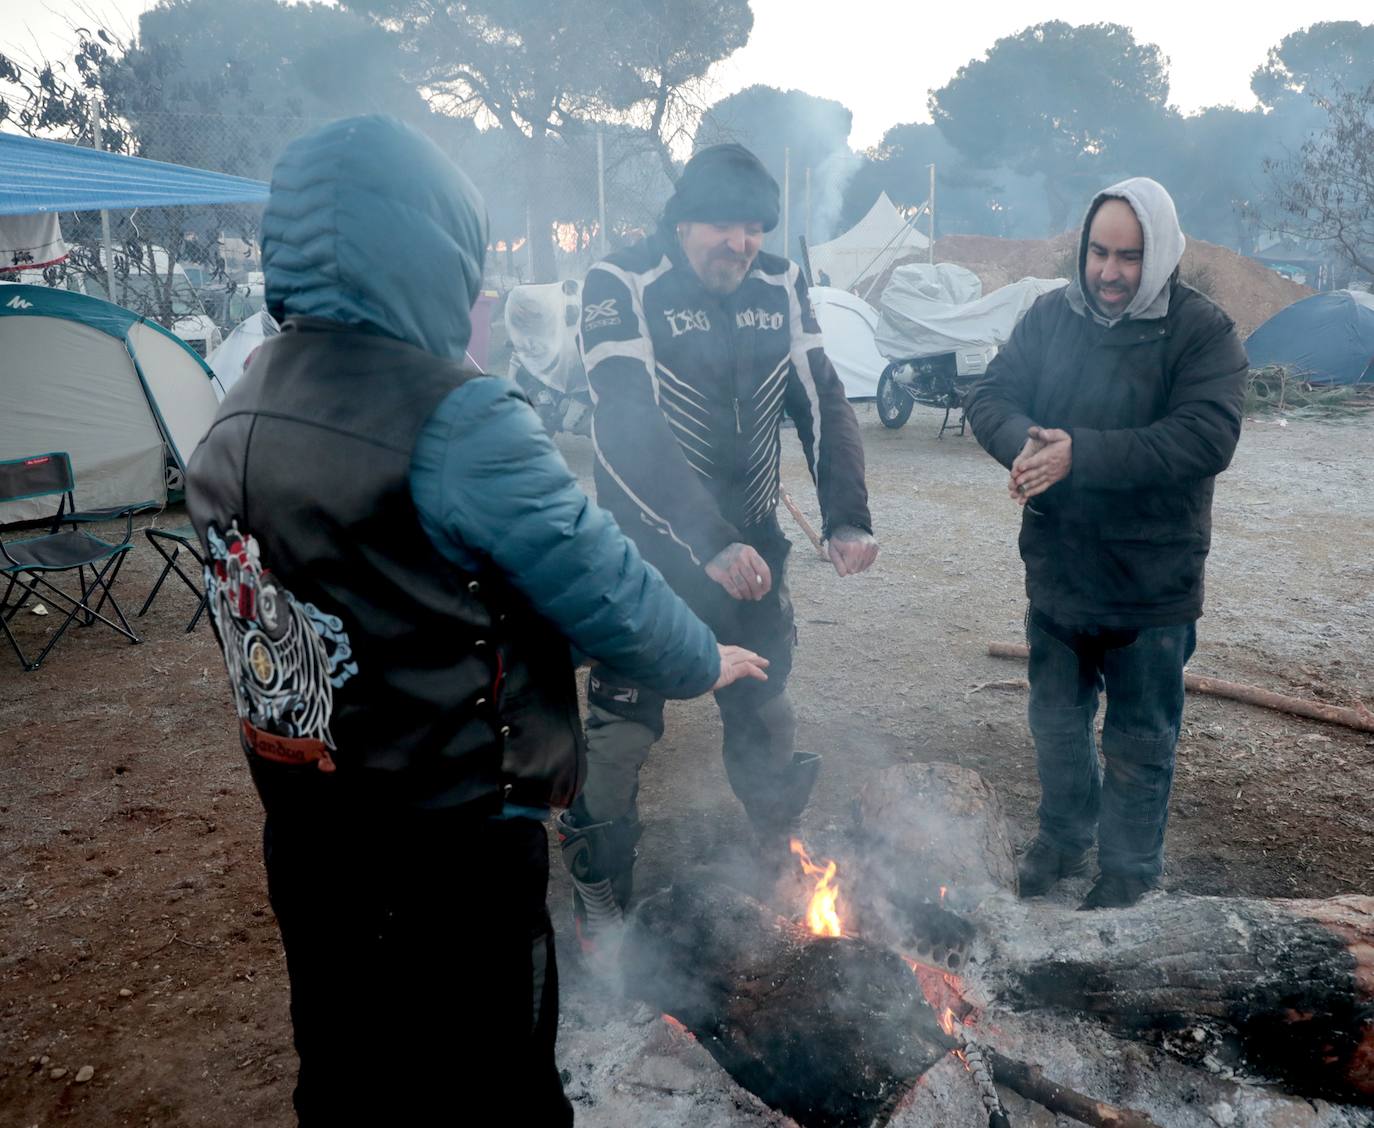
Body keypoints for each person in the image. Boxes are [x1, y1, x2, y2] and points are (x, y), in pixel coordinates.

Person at [185, 116, 767, 1126]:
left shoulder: (236, 407)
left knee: (345, 1072)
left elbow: (379, 595)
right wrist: (700, 656)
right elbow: (602, 583)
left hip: (311, 837)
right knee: (499, 1093)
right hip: (450, 850)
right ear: (432, 248)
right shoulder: (457, 415)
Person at [560, 142, 878, 949]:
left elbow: (820, 394)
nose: (738, 243)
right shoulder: (621, 282)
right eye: (720, 225)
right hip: (647, 558)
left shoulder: (779, 281)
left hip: (754, 554)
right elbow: (624, 421)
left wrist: (847, 514)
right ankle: (600, 896)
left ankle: (777, 848)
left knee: (766, 708)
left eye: (752, 226)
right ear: (681, 221)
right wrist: (706, 540)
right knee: (623, 735)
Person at [964, 177, 1247, 910]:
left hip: (1152, 582)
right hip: (1058, 569)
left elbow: (1207, 435)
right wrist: (1024, 448)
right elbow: (991, 395)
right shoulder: (1050, 318)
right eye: (1099, 253)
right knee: (1056, 725)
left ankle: (1128, 871)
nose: (1111, 273)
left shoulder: (1201, 331)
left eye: (1130, 256)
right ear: (1083, 249)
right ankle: (1063, 838)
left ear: (1159, 255)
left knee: (1139, 740)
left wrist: (1078, 455)